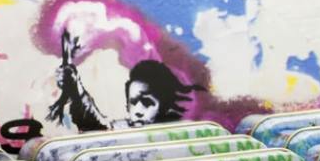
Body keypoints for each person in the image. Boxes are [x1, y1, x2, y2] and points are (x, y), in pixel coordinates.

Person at [48, 30, 204, 131]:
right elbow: (99, 126)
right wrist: (75, 88)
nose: (138, 111)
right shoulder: (125, 130)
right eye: (133, 102)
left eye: (147, 103)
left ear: (164, 105)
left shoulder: (176, 133)